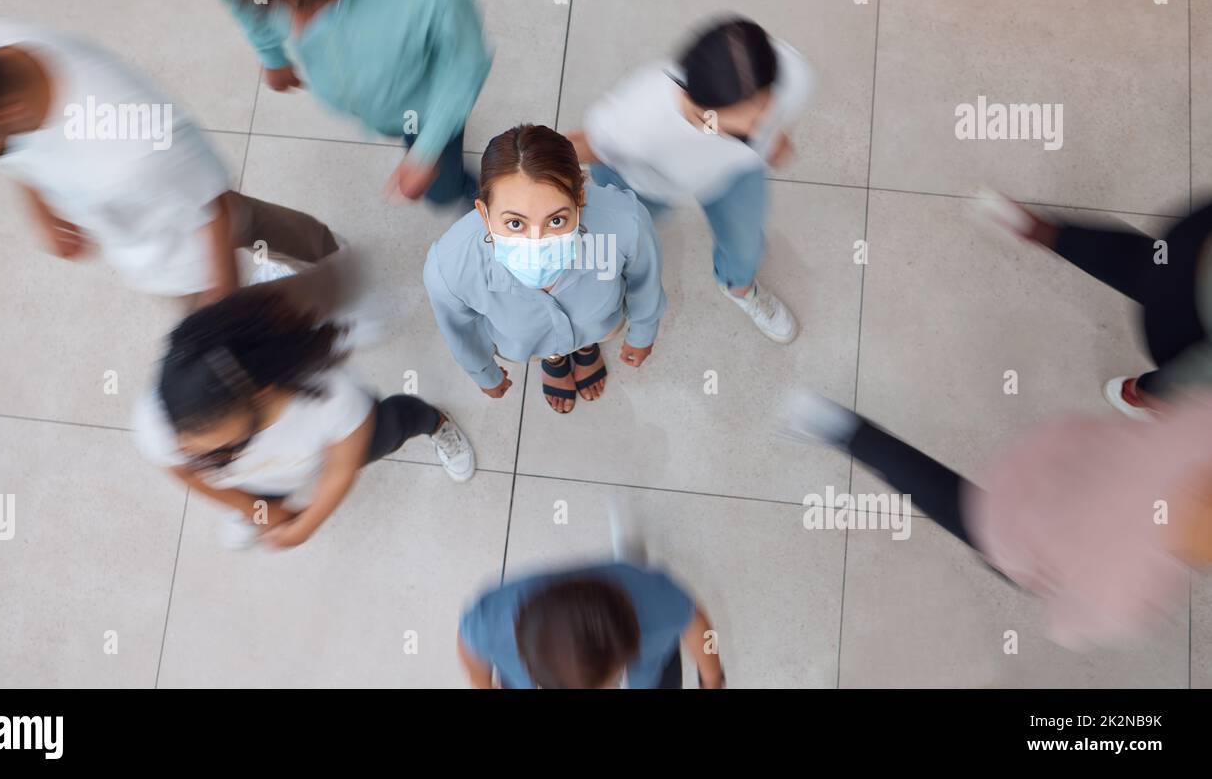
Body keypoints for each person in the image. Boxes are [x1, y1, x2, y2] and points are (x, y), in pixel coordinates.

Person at [0, 20, 338, 306]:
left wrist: (221, 306)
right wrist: (39, 204)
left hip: (184, 255)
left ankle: (334, 266)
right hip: (141, 232)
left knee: (255, 224)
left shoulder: (133, 147)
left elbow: (215, 208)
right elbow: (6, 149)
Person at [784, 388, 1212, 650]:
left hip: (1048, 455)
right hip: (1011, 530)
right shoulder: (1131, 597)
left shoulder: (1203, 428)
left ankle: (833, 423)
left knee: (937, 486)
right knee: (938, 494)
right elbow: (1065, 621)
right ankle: (841, 429)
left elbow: (1166, 409)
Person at [133, 250, 475, 550]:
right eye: (195, 451)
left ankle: (434, 421)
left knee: (396, 425)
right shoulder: (163, 420)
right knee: (257, 501)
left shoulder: (331, 395)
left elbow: (343, 467)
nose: (207, 463)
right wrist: (255, 510)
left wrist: (307, 523)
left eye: (223, 450)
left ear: (262, 398)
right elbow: (186, 473)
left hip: (330, 446)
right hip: (270, 475)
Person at [212, 0, 491, 208]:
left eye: (309, 5)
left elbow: (465, 64)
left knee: (441, 190)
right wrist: (271, 55)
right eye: (281, 5)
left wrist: (428, 150)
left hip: (420, 106)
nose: (299, 33)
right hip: (372, 105)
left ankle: (484, 200)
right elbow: (245, 7)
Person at [567, 16, 814, 343]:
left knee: (745, 246)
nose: (756, 133)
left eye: (761, 118)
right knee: (616, 247)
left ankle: (740, 288)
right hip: (647, 182)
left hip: (734, 175)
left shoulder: (794, 75)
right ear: (691, 96)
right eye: (736, 129)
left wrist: (773, 136)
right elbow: (577, 147)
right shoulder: (636, 116)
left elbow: (773, 121)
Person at [423, 124, 666, 414]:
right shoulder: (448, 269)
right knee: (543, 350)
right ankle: (552, 359)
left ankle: (587, 347)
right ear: (484, 215)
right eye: (515, 223)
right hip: (528, 344)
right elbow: (460, 332)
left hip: (600, 325)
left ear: (580, 200)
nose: (536, 243)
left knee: (597, 330)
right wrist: (483, 373)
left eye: (556, 220)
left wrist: (643, 333)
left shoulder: (626, 222)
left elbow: (644, 284)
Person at [975, 190, 1212, 419]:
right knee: (1189, 381)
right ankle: (1137, 393)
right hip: (1184, 333)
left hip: (1195, 243)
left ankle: (1044, 231)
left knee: (1153, 265)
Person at [457, 504, 724, 688]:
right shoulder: (489, 622)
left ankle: (629, 560)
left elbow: (698, 626)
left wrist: (712, 678)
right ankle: (628, 560)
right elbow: (468, 646)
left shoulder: (659, 601)